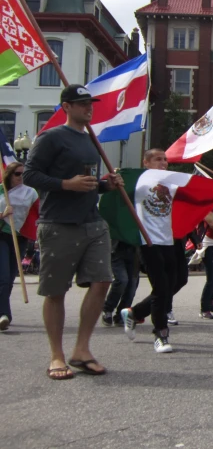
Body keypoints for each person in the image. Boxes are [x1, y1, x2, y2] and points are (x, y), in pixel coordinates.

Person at [23, 84, 123, 378]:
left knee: (103, 281)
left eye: (89, 103)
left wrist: (106, 185)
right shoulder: (51, 137)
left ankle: (82, 349)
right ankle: (57, 356)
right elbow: (29, 174)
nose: (88, 108)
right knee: (56, 291)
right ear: (66, 106)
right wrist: (65, 184)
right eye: (81, 104)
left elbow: (88, 183)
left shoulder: (91, 139)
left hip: (93, 221)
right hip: (58, 222)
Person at [119, 149, 188, 353]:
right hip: (147, 240)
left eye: (165, 159)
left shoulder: (171, 182)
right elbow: (115, 186)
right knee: (161, 288)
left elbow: (193, 193)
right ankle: (161, 335)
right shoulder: (138, 181)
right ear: (146, 162)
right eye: (158, 159)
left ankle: (135, 312)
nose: (164, 163)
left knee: (179, 280)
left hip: (170, 239)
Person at [0, 161, 38, 331]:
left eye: (23, 173)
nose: (21, 177)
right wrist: (2, 214)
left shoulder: (29, 193)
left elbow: (37, 211)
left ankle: (2, 311)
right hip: (2, 236)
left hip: (20, 238)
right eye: (17, 174)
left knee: (9, 279)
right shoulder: (1, 191)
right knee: (3, 277)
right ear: (9, 175)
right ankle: (4, 314)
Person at [101, 240, 138, 327]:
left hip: (134, 249)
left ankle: (122, 314)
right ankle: (108, 309)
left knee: (132, 285)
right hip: (117, 248)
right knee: (122, 280)